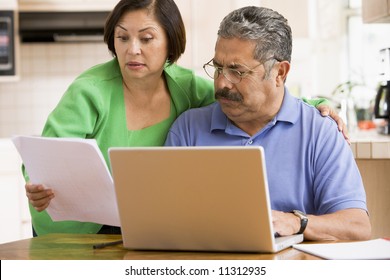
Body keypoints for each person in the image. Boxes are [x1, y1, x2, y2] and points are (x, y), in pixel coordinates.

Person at [24, 0, 346, 237]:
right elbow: (42, 160)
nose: (132, 50)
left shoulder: (186, 87)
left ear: (170, 43)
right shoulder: (89, 92)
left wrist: (314, 104)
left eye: (146, 39)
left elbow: (251, 95)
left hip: (132, 230)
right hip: (68, 228)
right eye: (122, 38)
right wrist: (37, 185)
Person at [165, 6, 371, 241]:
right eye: (218, 68)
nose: (222, 83)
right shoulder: (187, 130)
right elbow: (162, 219)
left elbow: (357, 228)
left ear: (280, 73)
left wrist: (297, 222)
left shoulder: (320, 132)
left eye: (237, 71)